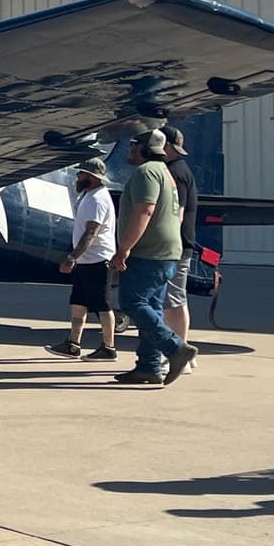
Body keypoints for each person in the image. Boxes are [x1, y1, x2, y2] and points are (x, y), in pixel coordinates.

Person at [109, 128, 198, 385]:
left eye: (133, 144)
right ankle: (149, 366)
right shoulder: (166, 173)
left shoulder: (146, 172)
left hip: (148, 252)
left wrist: (123, 248)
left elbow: (144, 211)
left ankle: (175, 348)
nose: (129, 149)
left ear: (144, 149)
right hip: (167, 252)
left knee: (132, 301)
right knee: (154, 308)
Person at [44, 157, 117, 361]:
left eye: (81, 173)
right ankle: (73, 344)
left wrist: (72, 257)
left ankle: (108, 348)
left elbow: (90, 232)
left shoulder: (97, 199)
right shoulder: (89, 195)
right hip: (87, 260)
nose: (78, 176)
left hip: (98, 259)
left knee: (102, 304)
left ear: (92, 177)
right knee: (78, 302)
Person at [161, 124, 198, 373]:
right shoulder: (181, 169)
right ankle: (183, 350)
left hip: (176, 246)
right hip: (180, 244)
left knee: (172, 301)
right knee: (175, 299)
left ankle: (180, 352)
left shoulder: (174, 172)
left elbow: (178, 213)